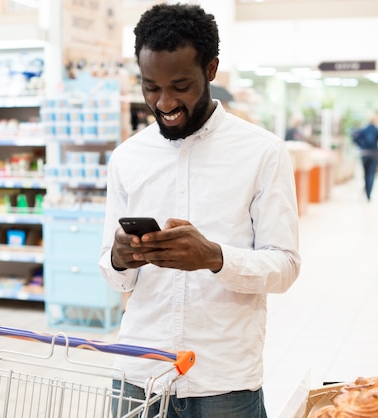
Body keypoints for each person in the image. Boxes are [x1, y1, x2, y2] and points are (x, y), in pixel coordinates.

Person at [98, 4, 301, 417]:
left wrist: (214, 257)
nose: (165, 102)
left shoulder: (262, 153)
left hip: (223, 382)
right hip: (140, 373)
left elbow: (285, 267)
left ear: (211, 69)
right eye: (150, 87)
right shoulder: (127, 157)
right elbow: (115, 276)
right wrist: (119, 258)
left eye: (180, 85)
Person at [353, 114, 378, 201]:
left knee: (366, 173)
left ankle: (366, 190)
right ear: (375, 121)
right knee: (371, 174)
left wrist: (361, 145)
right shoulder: (377, 130)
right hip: (374, 154)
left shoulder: (363, 130)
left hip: (364, 154)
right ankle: (368, 194)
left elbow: (355, 138)